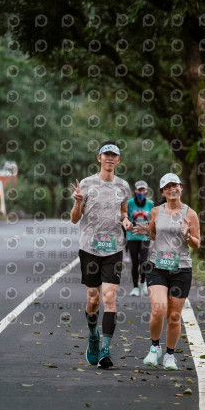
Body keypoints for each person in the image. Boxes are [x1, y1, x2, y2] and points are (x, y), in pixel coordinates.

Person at [70, 141, 133, 369]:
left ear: (118, 160)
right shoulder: (86, 185)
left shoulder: (123, 187)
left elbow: (123, 211)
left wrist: (125, 220)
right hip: (89, 248)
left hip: (114, 248)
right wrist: (78, 203)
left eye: (113, 155)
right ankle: (93, 336)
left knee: (109, 297)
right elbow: (75, 218)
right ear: (99, 158)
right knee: (93, 299)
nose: (109, 158)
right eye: (105, 155)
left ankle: (106, 349)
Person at [132, 173, 200, 371]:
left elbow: (197, 243)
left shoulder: (190, 214)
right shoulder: (155, 211)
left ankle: (170, 355)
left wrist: (188, 236)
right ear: (162, 191)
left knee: (174, 316)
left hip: (182, 269)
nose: (172, 189)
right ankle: (155, 347)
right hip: (157, 267)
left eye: (175, 185)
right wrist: (147, 232)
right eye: (168, 186)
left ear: (181, 188)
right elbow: (154, 233)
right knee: (159, 309)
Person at [126, 180, 154, 297]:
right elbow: (125, 219)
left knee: (143, 261)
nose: (141, 192)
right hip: (132, 237)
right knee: (135, 262)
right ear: (135, 191)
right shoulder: (130, 203)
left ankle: (143, 282)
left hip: (145, 237)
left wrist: (152, 233)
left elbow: (153, 221)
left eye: (143, 190)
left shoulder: (150, 204)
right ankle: (135, 287)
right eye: (139, 190)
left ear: (146, 191)